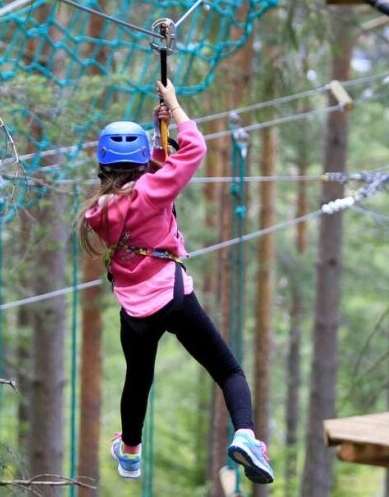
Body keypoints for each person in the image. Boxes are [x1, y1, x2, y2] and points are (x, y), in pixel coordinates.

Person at [78, 80, 274, 485]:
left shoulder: (97, 211)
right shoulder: (152, 191)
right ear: (138, 163)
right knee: (228, 370)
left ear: (103, 165)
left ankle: (130, 453)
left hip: (135, 310)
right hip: (173, 297)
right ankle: (246, 436)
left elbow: (147, 175)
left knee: (138, 379)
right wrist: (176, 107)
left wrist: (157, 137)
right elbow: (194, 149)